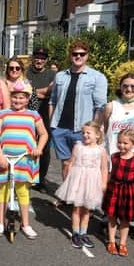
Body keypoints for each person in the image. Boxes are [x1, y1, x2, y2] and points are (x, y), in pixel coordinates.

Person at [0, 81, 48, 239]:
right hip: (5, 159)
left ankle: (26, 224)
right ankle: (1, 222)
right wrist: (0, 155)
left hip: (24, 160)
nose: (18, 100)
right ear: (11, 97)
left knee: (22, 191)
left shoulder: (33, 115)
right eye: (15, 97)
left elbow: (43, 134)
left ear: (27, 98)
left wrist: (39, 148)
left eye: (21, 98)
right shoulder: (3, 113)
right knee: (3, 190)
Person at [49, 40, 107, 181]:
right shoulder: (60, 76)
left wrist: (95, 130)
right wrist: (52, 124)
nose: (78, 57)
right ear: (70, 55)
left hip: (82, 130)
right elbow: (53, 101)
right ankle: (67, 198)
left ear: (87, 55)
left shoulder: (97, 77)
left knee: (81, 166)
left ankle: (79, 199)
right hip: (60, 128)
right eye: (75, 54)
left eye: (82, 54)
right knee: (66, 164)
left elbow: (100, 106)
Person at [54, 121, 108, 249]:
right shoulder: (78, 146)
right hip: (78, 180)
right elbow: (71, 162)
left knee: (87, 210)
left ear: (97, 135)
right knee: (77, 208)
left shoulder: (101, 151)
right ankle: (75, 234)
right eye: (83, 133)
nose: (85, 135)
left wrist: (104, 183)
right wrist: (68, 179)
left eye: (88, 133)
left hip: (92, 182)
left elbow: (104, 168)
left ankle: (84, 233)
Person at [102, 130, 134, 257]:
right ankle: (111, 241)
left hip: (128, 192)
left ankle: (122, 243)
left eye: (125, 143)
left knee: (125, 219)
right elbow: (111, 173)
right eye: (119, 142)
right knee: (111, 216)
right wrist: (106, 185)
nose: (121, 145)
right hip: (114, 189)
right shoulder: (114, 156)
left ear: (133, 144)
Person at [26, 47, 55, 192]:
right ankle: (26, 175)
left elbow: (51, 91)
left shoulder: (52, 74)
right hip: (27, 111)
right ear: (33, 58)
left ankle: (40, 180)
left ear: (46, 60)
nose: (39, 60)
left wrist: (32, 92)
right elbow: (23, 90)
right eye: (37, 57)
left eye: (43, 58)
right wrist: (42, 92)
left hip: (45, 111)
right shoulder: (25, 72)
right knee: (26, 143)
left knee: (44, 146)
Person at [104, 73, 134, 160]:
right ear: (120, 86)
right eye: (125, 86)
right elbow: (106, 131)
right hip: (112, 157)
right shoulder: (110, 107)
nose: (129, 89)